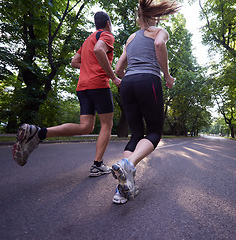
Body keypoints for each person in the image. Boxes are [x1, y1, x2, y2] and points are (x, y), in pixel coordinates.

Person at [12, 11, 121, 177]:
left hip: (83, 86)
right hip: (99, 84)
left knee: (86, 127)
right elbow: (99, 50)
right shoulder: (106, 35)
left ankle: (39, 132)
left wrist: (89, 67)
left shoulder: (87, 41)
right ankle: (98, 165)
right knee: (107, 124)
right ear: (108, 23)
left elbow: (74, 62)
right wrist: (113, 77)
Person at [111, 0, 180, 204]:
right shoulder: (160, 31)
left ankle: (121, 190)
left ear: (138, 17)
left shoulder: (131, 38)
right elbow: (159, 45)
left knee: (136, 134)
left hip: (128, 83)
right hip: (147, 80)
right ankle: (128, 164)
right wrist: (167, 76)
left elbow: (117, 70)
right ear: (155, 16)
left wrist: (130, 79)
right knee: (154, 133)